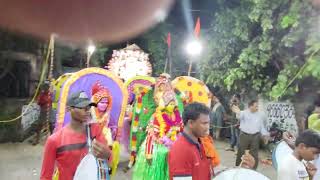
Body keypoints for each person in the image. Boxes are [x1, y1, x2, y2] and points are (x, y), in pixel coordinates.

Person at [168, 103, 256, 180]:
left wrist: (240, 169)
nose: (208, 127)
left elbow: (210, 171)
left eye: (208, 123)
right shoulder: (180, 150)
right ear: (191, 123)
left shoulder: (199, 143)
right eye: (204, 123)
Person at [40, 91, 112, 180]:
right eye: (82, 107)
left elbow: (108, 162)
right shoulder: (54, 140)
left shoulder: (95, 130)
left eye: (89, 107)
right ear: (69, 109)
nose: (87, 110)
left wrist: (107, 155)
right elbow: (46, 176)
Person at [132, 90, 183, 180]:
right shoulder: (156, 116)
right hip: (158, 148)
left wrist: (177, 130)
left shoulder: (176, 115)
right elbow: (151, 134)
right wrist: (149, 153)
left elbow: (181, 128)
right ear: (164, 105)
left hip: (174, 146)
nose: (173, 106)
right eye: (170, 104)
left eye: (174, 104)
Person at [232, 99, 269, 169]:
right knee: (241, 152)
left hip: (255, 136)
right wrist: (237, 111)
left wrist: (265, 135)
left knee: (254, 154)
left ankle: (253, 169)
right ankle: (238, 167)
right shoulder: (243, 113)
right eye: (255, 106)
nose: (257, 108)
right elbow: (238, 115)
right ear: (250, 106)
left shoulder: (260, 114)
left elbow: (261, 126)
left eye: (257, 106)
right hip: (244, 135)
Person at [30, 81, 52, 145]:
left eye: (47, 86)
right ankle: (37, 140)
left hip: (49, 111)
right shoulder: (41, 95)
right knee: (39, 126)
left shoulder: (50, 94)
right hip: (43, 111)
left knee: (51, 126)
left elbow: (51, 102)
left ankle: (51, 140)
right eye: (45, 86)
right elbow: (38, 102)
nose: (46, 88)